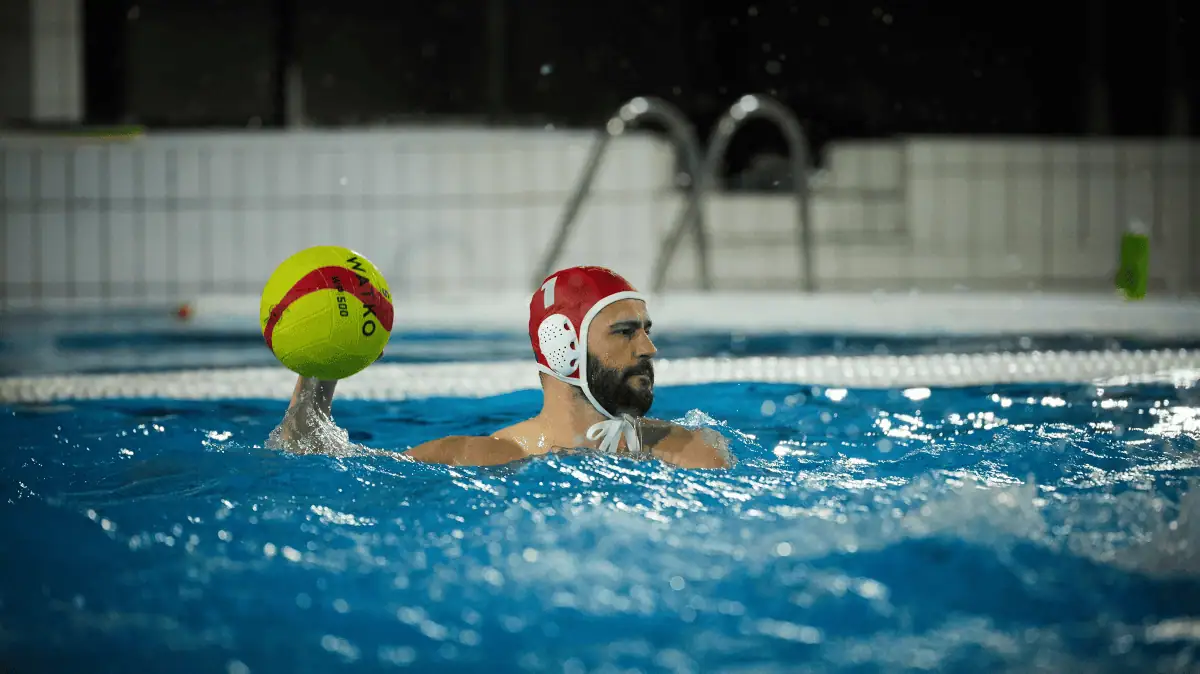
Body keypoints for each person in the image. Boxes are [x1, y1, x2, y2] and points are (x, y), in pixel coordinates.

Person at [269, 265, 732, 469]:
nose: (649, 347)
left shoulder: (694, 450)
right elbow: (310, 459)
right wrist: (323, 370)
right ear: (562, 345)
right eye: (625, 331)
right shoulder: (480, 457)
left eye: (646, 329)